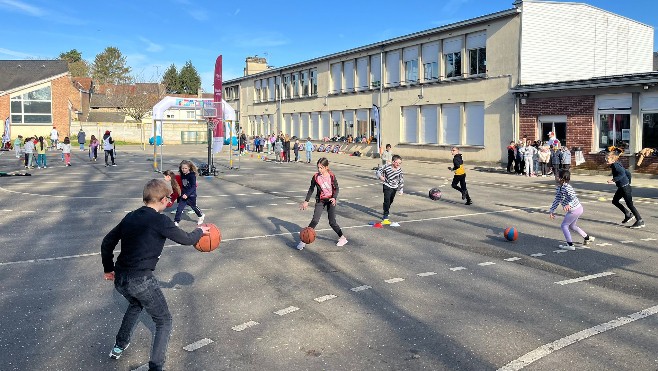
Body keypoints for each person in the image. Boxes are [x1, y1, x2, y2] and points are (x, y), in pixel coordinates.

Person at [101, 179, 209, 371]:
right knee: (164, 320)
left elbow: (107, 242)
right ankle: (156, 367)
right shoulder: (160, 220)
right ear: (161, 199)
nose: (170, 202)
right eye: (169, 198)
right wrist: (199, 231)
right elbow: (185, 239)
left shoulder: (130, 216)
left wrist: (108, 268)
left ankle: (118, 346)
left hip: (121, 279)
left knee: (135, 304)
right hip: (141, 279)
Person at [297, 157, 348, 250]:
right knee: (315, 220)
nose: (319, 170)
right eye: (318, 167)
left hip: (330, 200)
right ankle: (303, 240)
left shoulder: (331, 176)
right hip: (320, 200)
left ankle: (342, 238)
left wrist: (334, 197)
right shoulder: (316, 177)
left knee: (332, 222)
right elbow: (311, 189)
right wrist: (306, 201)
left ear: (326, 167)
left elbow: (336, 188)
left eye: (321, 167)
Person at [549, 170, 594, 250]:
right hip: (576, 209)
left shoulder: (567, 187)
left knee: (564, 225)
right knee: (572, 226)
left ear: (561, 178)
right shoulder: (559, 188)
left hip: (575, 209)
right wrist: (552, 210)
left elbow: (573, 198)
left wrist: (569, 205)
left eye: (556, 175)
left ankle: (570, 245)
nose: (555, 177)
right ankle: (587, 237)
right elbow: (557, 199)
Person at [606, 152, 644, 228]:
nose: (606, 160)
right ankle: (628, 214)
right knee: (615, 201)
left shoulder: (616, 166)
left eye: (607, 158)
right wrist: (628, 182)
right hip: (623, 187)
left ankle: (640, 220)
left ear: (613, 159)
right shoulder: (617, 164)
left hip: (624, 188)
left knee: (630, 204)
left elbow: (622, 174)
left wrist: (613, 180)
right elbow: (628, 173)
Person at [173, 160, 205, 227]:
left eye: (185, 168)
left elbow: (193, 186)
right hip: (183, 195)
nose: (183, 170)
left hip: (191, 195)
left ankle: (201, 215)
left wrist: (187, 194)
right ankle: (176, 221)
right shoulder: (182, 174)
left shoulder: (192, 175)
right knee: (179, 209)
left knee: (194, 207)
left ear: (189, 168)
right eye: (182, 168)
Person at [376, 154, 404, 224]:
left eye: (400, 163)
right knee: (387, 200)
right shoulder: (386, 166)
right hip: (387, 185)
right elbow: (378, 171)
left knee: (390, 200)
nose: (398, 164)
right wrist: (380, 177)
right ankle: (385, 215)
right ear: (393, 162)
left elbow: (401, 179)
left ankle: (386, 208)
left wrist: (401, 189)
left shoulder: (399, 170)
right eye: (397, 162)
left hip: (395, 187)